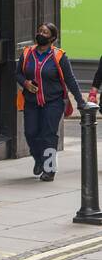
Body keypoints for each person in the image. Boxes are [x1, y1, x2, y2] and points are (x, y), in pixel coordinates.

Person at [15, 22, 86, 182]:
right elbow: (18, 73)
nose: (41, 34)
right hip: (31, 102)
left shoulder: (59, 56)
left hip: (53, 102)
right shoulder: (27, 53)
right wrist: (25, 83)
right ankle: (39, 160)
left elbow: (70, 79)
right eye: (40, 31)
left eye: (45, 32)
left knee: (48, 135)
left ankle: (49, 169)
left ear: (52, 38)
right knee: (31, 133)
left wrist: (80, 100)